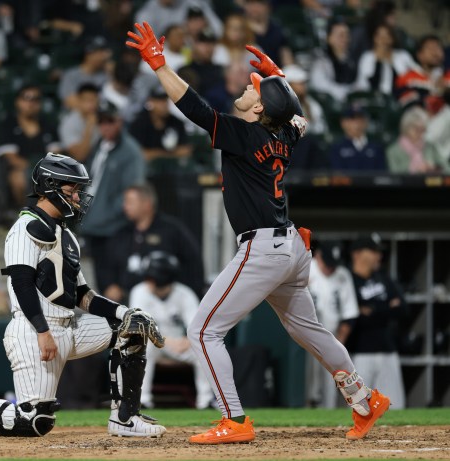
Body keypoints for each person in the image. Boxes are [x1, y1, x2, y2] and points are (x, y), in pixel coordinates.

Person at [126, 21, 390, 444]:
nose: (249, 87)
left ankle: (235, 420)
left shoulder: (246, 133)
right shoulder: (283, 133)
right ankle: (363, 398)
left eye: (255, 88)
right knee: (309, 330)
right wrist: (280, 79)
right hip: (291, 249)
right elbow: (298, 117)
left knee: (202, 331)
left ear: (258, 109)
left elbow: (193, 107)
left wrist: (159, 65)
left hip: (264, 248)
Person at [0, 153, 166, 438]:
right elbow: (21, 284)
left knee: (131, 329)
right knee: (34, 421)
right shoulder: (24, 229)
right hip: (33, 331)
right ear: (50, 186)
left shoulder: (66, 234)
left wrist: (125, 313)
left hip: (69, 327)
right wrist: (42, 331)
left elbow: (84, 296)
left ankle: (125, 419)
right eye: (71, 189)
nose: (77, 197)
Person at [132, 251, 214, 410]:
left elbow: (197, 327)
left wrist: (189, 340)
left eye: (150, 277)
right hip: (153, 343)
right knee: (141, 345)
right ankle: (143, 401)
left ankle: (206, 402)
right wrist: (166, 341)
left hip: (178, 345)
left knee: (203, 349)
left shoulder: (184, 293)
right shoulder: (139, 291)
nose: (146, 281)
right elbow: (140, 327)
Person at [80, 101, 146, 293]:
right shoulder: (99, 146)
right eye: (101, 122)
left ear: (120, 121)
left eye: (110, 121)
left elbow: (131, 192)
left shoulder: (130, 152)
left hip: (116, 228)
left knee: (116, 285)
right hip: (95, 226)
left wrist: (103, 215)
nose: (106, 126)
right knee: (101, 281)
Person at [103, 183, 205, 302]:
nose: (125, 207)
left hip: (166, 301)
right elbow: (106, 265)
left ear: (147, 204)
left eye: (130, 202)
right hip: (126, 301)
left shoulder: (172, 230)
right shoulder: (121, 234)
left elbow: (193, 264)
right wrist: (109, 285)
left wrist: (178, 291)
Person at [348, 234, 407, 409]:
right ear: (356, 254)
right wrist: (387, 307)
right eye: (373, 251)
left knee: (394, 407)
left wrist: (371, 310)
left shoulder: (383, 277)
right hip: (359, 353)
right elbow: (356, 317)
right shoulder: (348, 280)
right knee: (359, 408)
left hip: (388, 351)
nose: (378, 256)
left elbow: (403, 308)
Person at [307, 241, 359, 408]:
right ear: (318, 255)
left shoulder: (342, 274)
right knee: (308, 382)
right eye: (327, 262)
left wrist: (337, 345)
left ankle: (325, 414)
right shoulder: (306, 268)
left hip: (331, 336)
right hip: (305, 335)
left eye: (333, 264)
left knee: (330, 384)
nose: (330, 268)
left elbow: (349, 314)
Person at [0, 84, 60, 207]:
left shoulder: (48, 124)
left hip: (46, 172)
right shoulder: (9, 124)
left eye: (36, 99)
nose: (31, 103)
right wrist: (33, 170)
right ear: (18, 102)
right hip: (22, 170)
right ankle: (26, 213)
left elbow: (56, 155)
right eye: (26, 98)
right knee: (19, 178)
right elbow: (11, 158)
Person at [128, 86, 192, 165]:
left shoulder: (176, 122)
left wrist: (155, 154)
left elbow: (185, 151)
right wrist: (173, 153)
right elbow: (139, 155)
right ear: (150, 102)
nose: (164, 105)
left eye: (165, 101)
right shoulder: (139, 123)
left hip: (173, 170)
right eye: (159, 101)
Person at [354, 23, 416, 97]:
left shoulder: (403, 56)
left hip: (401, 98)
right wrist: (379, 61)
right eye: (379, 36)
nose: (383, 39)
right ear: (374, 39)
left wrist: (391, 62)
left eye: (386, 36)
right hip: (373, 99)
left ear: (392, 39)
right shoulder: (367, 57)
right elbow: (368, 85)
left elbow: (416, 76)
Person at [395, 34, 450, 115]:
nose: (435, 52)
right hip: (418, 119)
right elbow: (405, 106)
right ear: (420, 55)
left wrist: (446, 90)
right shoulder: (407, 77)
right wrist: (434, 92)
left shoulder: (447, 76)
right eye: (430, 48)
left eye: (438, 48)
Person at [309, 18, 358, 104]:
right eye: (341, 35)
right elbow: (321, 86)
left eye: (347, 35)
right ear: (329, 38)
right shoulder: (321, 61)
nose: (345, 39)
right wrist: (347, 93)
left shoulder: (353, 60)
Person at [57, 36, 112, 110]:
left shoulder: (106, 75)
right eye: (100, 52)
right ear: (88, 54)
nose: (104, 56)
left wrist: (111, 72)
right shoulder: (71, 75)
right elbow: (70, 102)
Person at [386, 106, 445, 173]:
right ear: (406, 128)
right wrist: (415, 169)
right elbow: (395, 176)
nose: (420, 133)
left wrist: (434, 167)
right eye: (417, 129)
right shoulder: (393, 151)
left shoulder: (430, 146)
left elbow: (447, 169)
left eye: (423, 129)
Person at [329, 105, 387, 172]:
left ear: (367, 122)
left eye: (360, 118)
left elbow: (382, 176)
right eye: (352, 119)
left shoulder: (377, 148)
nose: (357, 123)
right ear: (343, 123)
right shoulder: (336, 148)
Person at [242, 0, 293, 68]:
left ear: (268, 7)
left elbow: (286, 57)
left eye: (259, 4)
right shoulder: (240, 29)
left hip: (275, 73)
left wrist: (290, 72)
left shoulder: (276, 29)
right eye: (250, 3)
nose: (254, 8)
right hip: (249, 73)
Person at [57, 83, 101, 162]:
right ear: (79, 101)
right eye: (88, 100)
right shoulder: (69, 124)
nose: (92, 105)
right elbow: (80, 156)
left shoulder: (104, 119)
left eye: (95, 100)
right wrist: (89, 127)